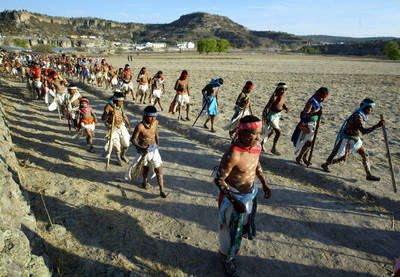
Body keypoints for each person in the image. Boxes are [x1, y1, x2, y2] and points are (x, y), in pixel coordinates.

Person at [214, 115, 271, 276]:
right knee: (228, 230)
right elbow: (219, 180)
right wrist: (234, 201)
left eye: (259, 133)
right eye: (253, 133)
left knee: (240, 228)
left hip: (248, 197)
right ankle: (227, 258)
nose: (257, 137)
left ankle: (231, 254)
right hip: (233, 198)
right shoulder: (234, 153)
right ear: (241, 133)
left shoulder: (256, 147)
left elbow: (256, 165)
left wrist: (265, 184)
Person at [321, 98, 384, 181]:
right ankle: (326, 164)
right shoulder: (358, 116)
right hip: (348, 139)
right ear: (364, 107)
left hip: (354, 139)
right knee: (341, 158)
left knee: (364, 154)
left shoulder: (361, 115)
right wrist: (377, 126)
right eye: (370, 108)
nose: (371, 110)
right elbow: (363, 131)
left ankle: (368, 174)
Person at [126, 106, 167, 198]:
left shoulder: (156, 122)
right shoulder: (140, 127)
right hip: (143, 151)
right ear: (145, 116)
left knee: (159, 169)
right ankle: (144, 181)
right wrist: (141, 148)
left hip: (154, 149)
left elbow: (155, 131)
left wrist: (157, 140)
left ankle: (162, 190)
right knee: (145, 168)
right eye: (150, 117)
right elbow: (133, 140)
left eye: (154, 117)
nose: (152, 119)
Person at [291, 87, 328, 166]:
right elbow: (305, 114)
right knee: (309, 142)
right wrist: (316, 113)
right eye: (321, 97)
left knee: (310, 142)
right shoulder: (312, 102)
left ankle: (304, 157)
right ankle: (300, 157)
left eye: (324, 98)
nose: (322, 99)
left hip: (312, 124)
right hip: (307, 124)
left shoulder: (318, 101)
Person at [102, 92, 132, 166]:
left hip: (121, 126)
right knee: (116, 145)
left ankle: (123, 155)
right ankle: (118, 159)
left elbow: (124, 116)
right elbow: (103, 118)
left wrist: (128, 125)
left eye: (122, 101)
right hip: (113, 127)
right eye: (120, 101)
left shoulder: (121, 106)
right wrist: (110, 114)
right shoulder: (108, 106)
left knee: (126, 144)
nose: (122, 103)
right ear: (115, 101)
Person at [261, 82, 289, 155]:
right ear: (278, 89)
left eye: (284, 90)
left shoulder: (283, 96)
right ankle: (273, 148)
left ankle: (262, 143)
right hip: (271, 116)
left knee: (271, 132)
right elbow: (267, 107)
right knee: (278, 132)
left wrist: (285, 108)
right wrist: (266, 118)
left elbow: (282, 103)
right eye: (281, 90)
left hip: (277, 116)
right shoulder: (274, 97)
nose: (282, 91)